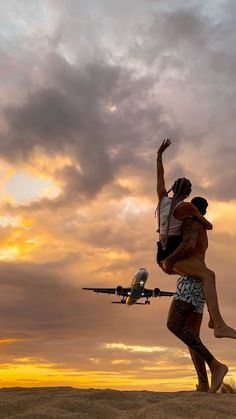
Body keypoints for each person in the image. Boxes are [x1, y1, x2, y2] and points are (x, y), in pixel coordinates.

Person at [156, 139, 236, 339]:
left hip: (161, 250)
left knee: (207, 276)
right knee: (208, 276)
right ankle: (218, 324)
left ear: (173, 189)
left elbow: (160, 176)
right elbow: (209, 225)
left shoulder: (162, 200)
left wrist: (159, 155)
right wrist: (195, 216)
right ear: (188, 193)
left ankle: (213, 319)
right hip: (173, 252)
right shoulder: (186, 208)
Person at [167, 196, 228, 393]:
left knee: (174, 324)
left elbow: (189, 245)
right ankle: (203, 383)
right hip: (198, 283)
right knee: (192, 336)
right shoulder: (201, 224)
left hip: (190, 281)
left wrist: (169, 260)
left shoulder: (192, 223)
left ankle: (215, 365)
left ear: (191, 209)